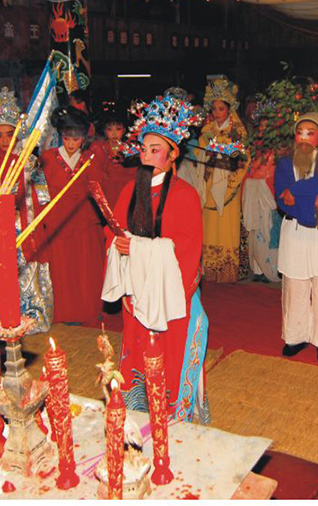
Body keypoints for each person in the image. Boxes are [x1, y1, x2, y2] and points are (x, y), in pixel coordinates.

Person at [101, 94, 209, 423]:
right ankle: (139, 413)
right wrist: (119, 244)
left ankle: (175, 417)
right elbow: (113, 232)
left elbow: (187, 248)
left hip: (172, 296)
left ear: (173, 154)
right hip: (136, 292)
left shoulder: (186, 195)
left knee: (172, 355)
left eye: (155, 149)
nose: (146, 155)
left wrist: (137, 248)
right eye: (144, 148)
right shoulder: (128, 191)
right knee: (138, 352)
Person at [275, 112, 318, 364]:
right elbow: (281, 198)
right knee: (295, 284)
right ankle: (295, 336)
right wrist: (303, 205)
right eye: (299, 132)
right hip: (295, 227)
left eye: (310, 133)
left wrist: (294, 190)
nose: (303, 137)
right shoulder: (285, 163)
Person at [0, 88, 53, 333]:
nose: (5, 140)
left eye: (9, 134)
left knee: (27, 270)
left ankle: (33, 315)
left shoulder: (29, 161)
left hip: (25, 223)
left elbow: (43, 195)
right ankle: (5, 317)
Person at [37, 105, 108, 324]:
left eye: (76, 140)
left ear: (83, 139)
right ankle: (64, 312)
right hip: (58, 223)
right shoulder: (47, 158)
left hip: (85, 221)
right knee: (62, 270)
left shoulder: (90, 158)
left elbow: (99, 189)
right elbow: (40, 194)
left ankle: (88, 309)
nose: (70, 144)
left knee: (86, 268)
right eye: (66, 138)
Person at [200, 75, 249, 283]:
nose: (217, 113)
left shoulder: (238, 131)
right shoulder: (206, 130)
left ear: (230, 109)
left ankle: (228, 270)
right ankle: (210, 268)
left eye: (221, 108)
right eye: (214, 109)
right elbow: (199, 155)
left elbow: (244, 159)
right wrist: (208, 155)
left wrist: (231, 180)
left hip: (229, 185)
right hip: (210, 183)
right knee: (210, 225)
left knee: (228, 226)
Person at [242, 108, 281, 283]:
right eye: (261, 127)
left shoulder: (277, 151)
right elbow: (249, 171)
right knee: (255, 231)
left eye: (267, 127)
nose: (263, 130)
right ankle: (258, 268)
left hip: (267, 194)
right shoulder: (254, 149)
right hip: (254, 193)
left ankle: (270, 268)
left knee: (268, 230)